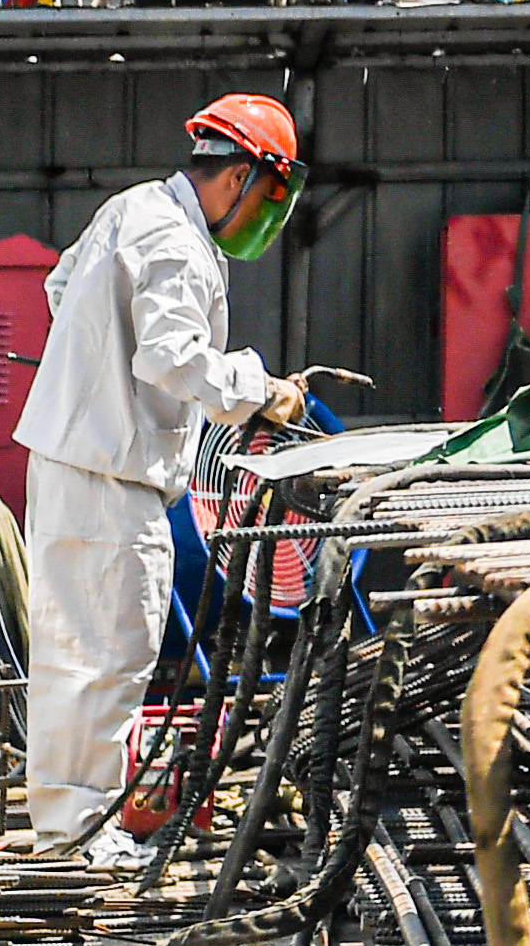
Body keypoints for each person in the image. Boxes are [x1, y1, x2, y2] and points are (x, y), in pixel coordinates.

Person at [19, 96, 312, 859]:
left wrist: (101, 369)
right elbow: (172, 358)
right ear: (243, 175)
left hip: (73, 461)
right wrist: (260, 386)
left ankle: (66, 831)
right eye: (268, 196)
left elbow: (61, 291)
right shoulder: (176, 240)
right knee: (110, 658)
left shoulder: (133, 208)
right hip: (111, 476)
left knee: (71, 657)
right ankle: (80, 837)